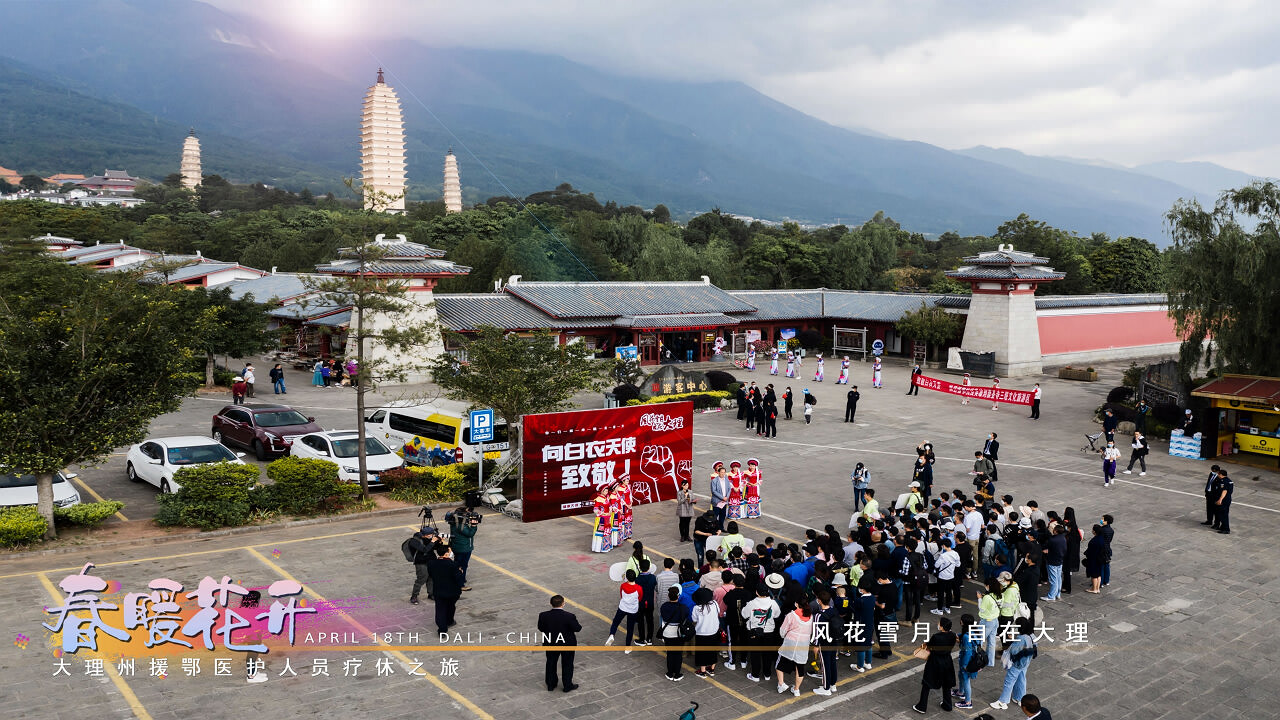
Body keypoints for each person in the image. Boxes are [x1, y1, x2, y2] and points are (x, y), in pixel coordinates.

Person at [913, 616, 957, 713]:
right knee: (946, 684)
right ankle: (947, 705)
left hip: (935, 662)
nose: (938, 624)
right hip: (947, 661)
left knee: (927, 683)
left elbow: (930, 647)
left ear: (942, 627)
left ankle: (922, 706)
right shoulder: (953, 635)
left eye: (939, 623)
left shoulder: (936, 637)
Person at [990, 617, 1036, 710]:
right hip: (1025, 662)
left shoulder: (1021, 638)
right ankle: (1020, 698)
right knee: (1021, 679)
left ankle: (1003, 702)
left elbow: (1014, 651)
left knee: (1009, 681)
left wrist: (1012, 640)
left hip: (1017, 663)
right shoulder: (1032, 636)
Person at [538, 595, 581, 692]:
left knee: (551, 663)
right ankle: (567, 685)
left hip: (551, 643)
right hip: (567, 644)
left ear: (551, 604)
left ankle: (551, 684)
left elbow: (541, 628)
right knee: (567, 664)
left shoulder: (543, 615)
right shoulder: (569, 616)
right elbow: (577, 628)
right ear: (563, 604)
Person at [775, 599, 813, 696]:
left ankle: (781, 684)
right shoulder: (810, 616)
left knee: (779, 665)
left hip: (790, 643)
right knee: (800, 668)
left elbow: (783, 630)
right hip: (803, 644)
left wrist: (783, 636)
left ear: (796, 604)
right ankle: (796, 690)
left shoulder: (791, 615)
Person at [428, 545, 464, 634]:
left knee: (440, 609)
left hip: (439, 590)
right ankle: (449, 621)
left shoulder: (432, 563)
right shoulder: (453, 565)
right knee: (451, 606)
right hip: (452, 591)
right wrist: (460, 572)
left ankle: (442, 629)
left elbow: (431, 575)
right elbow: (457, 578)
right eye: (450, 551)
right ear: (446, 554)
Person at [659, 586, 691, 681]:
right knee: (678, 654)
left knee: (670, 653)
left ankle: (669, 673)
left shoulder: (664, 606)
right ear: (678, 596)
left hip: (667, 634)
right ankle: (677, 674)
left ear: (668, 596)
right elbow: (686, 617)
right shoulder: (683, 608)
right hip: (678, 634)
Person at [605, 569, 642, 652]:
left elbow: (621, 595)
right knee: (630, 628)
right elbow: (640, 598)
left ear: (627, 578)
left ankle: (612, 634)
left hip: (622, 608)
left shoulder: (623, 586)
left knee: (615, 622)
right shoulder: (639, 588)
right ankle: (627, 648)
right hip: (632, 610)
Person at [812, 589, 839, 695]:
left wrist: (815, 645)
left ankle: (826, 688)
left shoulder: (818, 616)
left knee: (825, 665)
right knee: (832, 663)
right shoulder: (834, 610)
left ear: (819, 601)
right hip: (834, 641)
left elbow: (816, 632)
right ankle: (833, 685)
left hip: (824, 643)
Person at [954, 613, 983, 709]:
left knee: (966, 680)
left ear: (963, 623)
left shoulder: (966, 637)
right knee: (961, 676)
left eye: (961, 620)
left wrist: (965, 665)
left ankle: (968, 702)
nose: (960, 621)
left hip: (967, 662)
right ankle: (960, 692)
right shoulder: (974, 631)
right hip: (973, 659)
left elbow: (967, 652)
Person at [238, 590, 267, 683]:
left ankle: (254, 672)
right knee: (252, 656)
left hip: (254, 637)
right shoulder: (249, 612)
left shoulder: (247, 609)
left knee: (253, 655)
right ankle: (251, 676)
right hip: (253, 637)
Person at [691, 587, 721, 677]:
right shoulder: (714, 603)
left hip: (702, 633)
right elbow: (719, 612)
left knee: (702, 652)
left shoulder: (697, 608)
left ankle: (702, 671)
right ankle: (711, 669)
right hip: (714, 631)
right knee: (713, 650)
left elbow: (694, 619)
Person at [447, 508, 478, 590]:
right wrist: (474, 526)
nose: (468, 516)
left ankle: (460, 578)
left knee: (459, 564)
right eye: (466, 515)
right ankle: (460, 584)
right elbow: (470, 533)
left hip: (459, 547)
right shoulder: (461, 525)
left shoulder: (455, 522)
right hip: (463, 548)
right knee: (462, 566)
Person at [408, 524, 440, 604]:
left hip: (431, 560)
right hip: (421, 562)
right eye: (431, 534)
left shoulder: (429, 538)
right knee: (421, 579)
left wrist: (439, 541)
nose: (432, 536)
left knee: (431, 578)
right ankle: (414, 596)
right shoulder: (414, 541)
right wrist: (432, 541)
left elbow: (435, 548)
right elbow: (425, 550)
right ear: (426, 535)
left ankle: (431, 594)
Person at [976, 578, 1001, 668]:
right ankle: (990, 662)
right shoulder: (999, 594)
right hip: (995, 620)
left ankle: (977, 661)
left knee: (978, 641)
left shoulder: (987, 597)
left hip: (986, 622)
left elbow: (982, 609)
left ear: (988, 586)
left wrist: (980, 599)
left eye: (985, 585)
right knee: (991, 642)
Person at [1042, 525, 1066, 601]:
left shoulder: (1052, 540)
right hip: (1060, 560)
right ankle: (1058, 594)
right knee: (1058, 578)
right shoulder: (1063, 538)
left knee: (1053, 579)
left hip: (1052, 561)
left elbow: (1045, 546)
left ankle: (1051, 596)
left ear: (1056, 531)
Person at [1083, 524, 1108, 593]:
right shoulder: (1102, 538)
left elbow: (1090, 551)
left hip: (1094, 559)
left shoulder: (1094, 541)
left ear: (1094, 531)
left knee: (1094, 575)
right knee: (1099, 574)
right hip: (1100, 559)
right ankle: (1097, 588)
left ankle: (1094, 589)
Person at [591, 485, 614, 553]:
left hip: (607, 518)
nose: (607, 492)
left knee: (607, 532)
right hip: (601, 519)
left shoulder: (606, 498)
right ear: (602, 491)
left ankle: (606, 547)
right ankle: (599, 548)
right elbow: (595, 510)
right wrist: (603, 513)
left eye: (607, 491)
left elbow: (610, 505)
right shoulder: (598, 499)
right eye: (605, 491)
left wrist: (610, 512)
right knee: (600, 534)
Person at [710, 461, 730, 531]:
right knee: (715, 515)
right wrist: (722, 497)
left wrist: (727, 497)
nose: (723, 474)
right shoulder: (714, 481)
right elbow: (714, 491)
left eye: (724, 472)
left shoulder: (726, 479)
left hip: (724, 501)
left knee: (723, 515)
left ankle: (721, 527)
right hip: (717, 501)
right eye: (722, 472)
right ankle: (714, 528)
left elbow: (729, 489)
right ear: (718, 472)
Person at [1215, 468, 1233, 534]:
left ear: (1221, 475)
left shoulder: (1223, 481)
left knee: (1223, 515)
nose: (1218, 475)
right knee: (1224, 514)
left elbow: (1224, 491)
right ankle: (1223, 527)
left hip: (1224, 500)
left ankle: (1226, 529)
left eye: (1218, 474)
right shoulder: (1229, 480)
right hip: (1227, 499)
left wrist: (1220, 500)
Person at [1099, 514, 1115, 586]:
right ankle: (1106, 580)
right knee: (1107, 566)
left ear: (1106, 521)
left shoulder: (1102, 530)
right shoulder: (1111, 530)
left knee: (1101, 567)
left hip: (1102, 550)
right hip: (1108, 549)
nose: (1101, 520)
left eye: (1102, 519)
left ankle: (1101, 582)